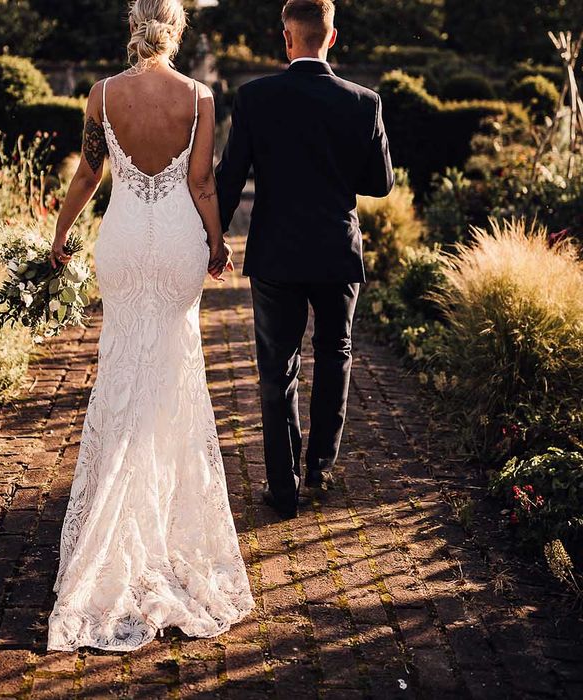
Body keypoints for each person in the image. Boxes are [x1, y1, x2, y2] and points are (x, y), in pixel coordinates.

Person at [47, 0, 253, 653]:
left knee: (122, 369)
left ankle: (113, 528)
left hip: (124, 242)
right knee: (173, 372)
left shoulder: (103, 95)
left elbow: (88, 172)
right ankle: (164, 524)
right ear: (177, 30)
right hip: (175, 251)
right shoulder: (199, 97)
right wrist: (219, 248)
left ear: (134, 29)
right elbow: (202, 185)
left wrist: (60, 232)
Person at [216, 0, 394, 520]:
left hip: (275, 252)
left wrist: (212, 239)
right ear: (332, 37)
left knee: (278, 368)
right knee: (335, 350)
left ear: (287, 38)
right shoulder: (364, 102)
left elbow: (231, 176)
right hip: (337, 248)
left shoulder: (256, 98)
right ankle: (320, 463)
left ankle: (283, 485)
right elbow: (380, 184)